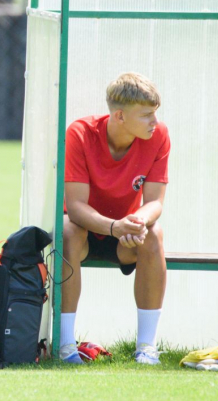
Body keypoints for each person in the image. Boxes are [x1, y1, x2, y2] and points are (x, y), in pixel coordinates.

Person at [59, 73, 170, 365]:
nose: (154, 122)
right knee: (68, 232)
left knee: (155, 234)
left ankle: (146, 347)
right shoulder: (80, 133)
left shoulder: (159, 136)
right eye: (146, 115)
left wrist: (137, 220)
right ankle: (65, 345)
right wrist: (113, 226)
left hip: (125, 237)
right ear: (119, 116)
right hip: (85, 232)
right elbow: (75, 206)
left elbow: (156, 202)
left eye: (155, 114)